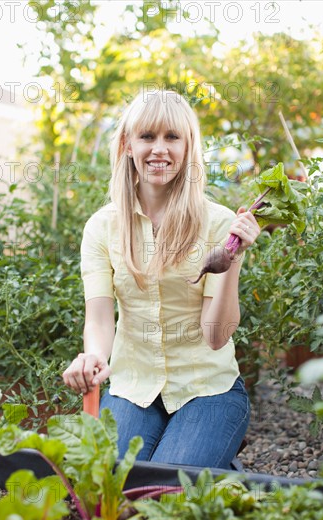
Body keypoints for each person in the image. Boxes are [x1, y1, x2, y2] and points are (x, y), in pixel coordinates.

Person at [63, 90, 261, 468]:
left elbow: (216, 336)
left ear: (188, 147)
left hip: (208, 389)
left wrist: (232, 259)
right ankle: (210, 462)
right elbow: (101, 317)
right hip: (132, 387)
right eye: (147, 137)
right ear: (126, 144)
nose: (159, 149)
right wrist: (93, 355)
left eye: (172, 137)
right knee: (110, 486)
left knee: (167, 496)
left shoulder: (217, 222)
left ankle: (212, 449)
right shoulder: (102, 227)